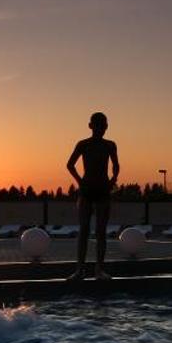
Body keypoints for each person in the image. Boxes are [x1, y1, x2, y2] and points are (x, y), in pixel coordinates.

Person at [65, 111, 119, 280]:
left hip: (102, 189)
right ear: (91, 126)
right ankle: (80, 269)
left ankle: (99, 270)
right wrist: (80, 182)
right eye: (98, 126)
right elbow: (70, 164)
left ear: (106, 127)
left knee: (101, 231)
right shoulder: (83, 144)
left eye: (103, 126)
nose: (101, 129)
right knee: (84, 230)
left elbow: (116, 165)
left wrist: (113, 180)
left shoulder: (110, 145)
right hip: (87, 190)